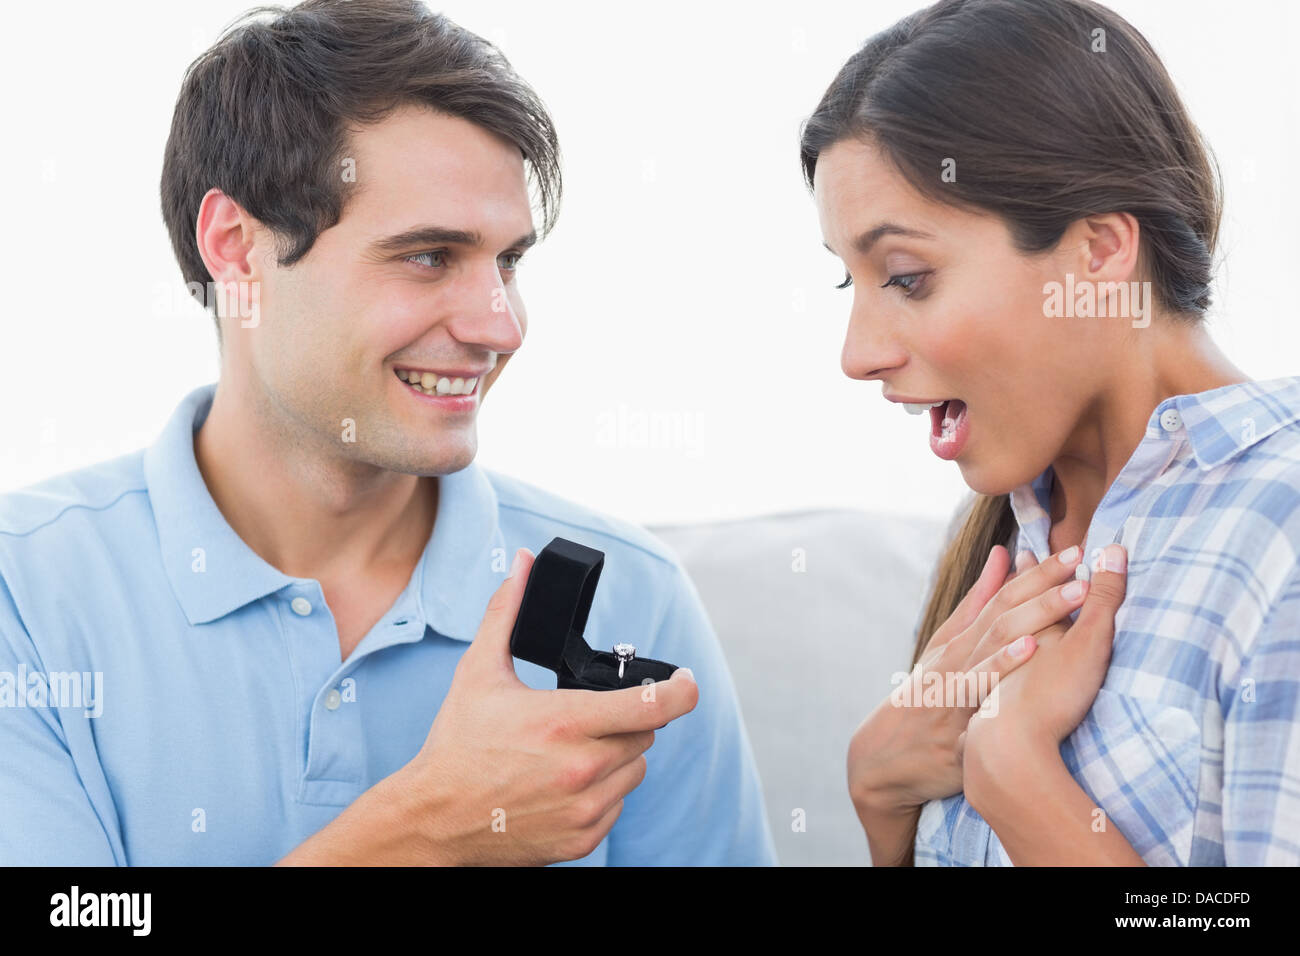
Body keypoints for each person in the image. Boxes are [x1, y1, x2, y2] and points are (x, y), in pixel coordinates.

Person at [0, 0, 775, 866]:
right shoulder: (23, 599)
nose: (501, 327)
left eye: (508, 261)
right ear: (236, 249)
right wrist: (429, 828)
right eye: (429, 256)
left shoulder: (637, 595)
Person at [802, 0, 1300, 864]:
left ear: (1099, 251)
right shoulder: (1010, 544)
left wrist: (1013, 775)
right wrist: (879, 795)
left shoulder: (1279, 526)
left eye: (908, 277)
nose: (858, 356)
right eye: (854, 285)